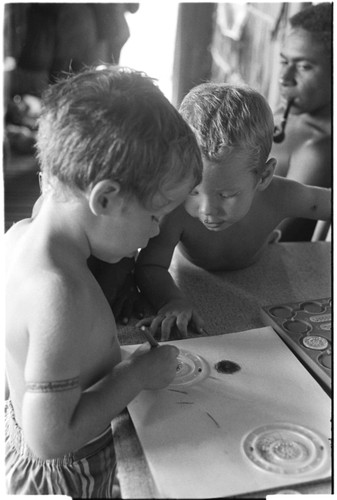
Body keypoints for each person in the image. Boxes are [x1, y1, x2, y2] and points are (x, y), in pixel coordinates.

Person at [5, 66, 203, 497]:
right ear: (105, 198)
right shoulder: (60, 294)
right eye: (155, 216)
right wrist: (135, 375)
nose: (155, 232)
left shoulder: (19, 236)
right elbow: (49, 439)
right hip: (68, 476)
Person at [135, 82, 331, 340]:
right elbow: (149, 265)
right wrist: (172, 300)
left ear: (264, 176)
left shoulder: (279, 196)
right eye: (193, 190)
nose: (206, 210)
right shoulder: (176, 209)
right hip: (194, 281)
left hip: (264, 280)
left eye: (226, 195)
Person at [271, 2, 332, 241]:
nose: (285, 78)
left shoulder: (318, 149)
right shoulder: (285, 114)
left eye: (304, 66)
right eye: (284, 62)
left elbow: (273, 234)